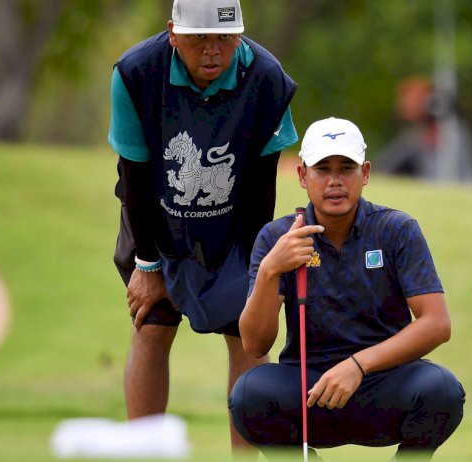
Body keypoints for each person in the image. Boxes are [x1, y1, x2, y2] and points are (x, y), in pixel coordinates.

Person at [108, 0, 297, 453]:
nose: (212, 50)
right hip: (152, 211)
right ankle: (146, 453)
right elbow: (135, 176)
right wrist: (149, 266)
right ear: (173, 33)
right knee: (151, 322)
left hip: (236, 222)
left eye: (224, 39)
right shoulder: (136, 73)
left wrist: (254, 277)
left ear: (239, 36)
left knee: (248, 338)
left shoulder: (267, 79)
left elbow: (260, 191)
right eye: (199, 39)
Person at [229, 117, 465, 459]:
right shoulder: (278, 238)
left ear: (365, 173)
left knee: (441, 390)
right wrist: (269, 270)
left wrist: (357, 365)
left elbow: (436, 324)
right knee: (249, 395)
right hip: (309, 388)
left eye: (346, 168)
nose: (335, 181)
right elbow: (255, 343)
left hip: (384, 382)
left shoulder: (396, 229)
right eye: (322, 169)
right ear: (301, 176)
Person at [377, 76, 472, 185]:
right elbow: (387, 165)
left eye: (411, 99)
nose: (403, 104)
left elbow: (469, 177)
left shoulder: (452, 134)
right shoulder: (416, 135)